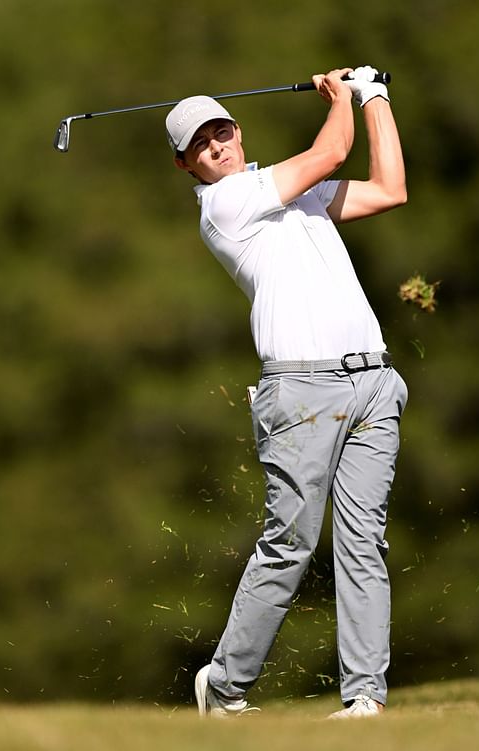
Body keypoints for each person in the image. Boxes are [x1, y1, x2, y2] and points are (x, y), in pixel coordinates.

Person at [165, 65, 408, 719]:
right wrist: (341, 97)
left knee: (364, 542)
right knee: (291, 541)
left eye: (221, 132)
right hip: (301, 390)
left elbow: (389, 188)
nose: (216, 146)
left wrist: (375, 98)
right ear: (188, 165)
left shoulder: (294, 194)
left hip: (373, 382)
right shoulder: (226, 205)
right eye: (200, 145)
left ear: (237, 132)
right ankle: (224, 685)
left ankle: (364, 698)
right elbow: (331, 149)